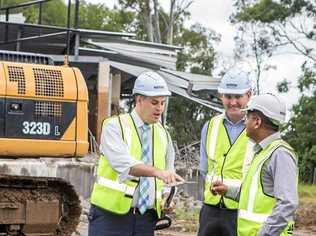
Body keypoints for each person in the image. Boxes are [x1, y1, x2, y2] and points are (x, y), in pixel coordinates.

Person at [88, 71, 184, 236]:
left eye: (162, 103)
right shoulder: (114, 126)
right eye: (154, 102)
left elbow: (167, 172)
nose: (160, 108)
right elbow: (123, 164)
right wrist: (157, 172)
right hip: (110, 216)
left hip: (145, 220)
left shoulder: (163, 134)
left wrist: (166, 197)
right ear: (139, 100)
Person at [212, 93, 299, 236]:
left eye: (247, 118)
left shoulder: (280, 154)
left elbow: (288, 204)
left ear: (257, 122)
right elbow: (254, 198)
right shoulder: (262, 153)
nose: (244, 122)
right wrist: (227, 190)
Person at [198, 68, 254, 236]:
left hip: (240, 210)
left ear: (249, 95)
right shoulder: (210, 126)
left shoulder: (258, 128)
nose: (233, 102)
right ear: (221, 95)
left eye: (238, 97)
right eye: (228, 97)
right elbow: (204, 169)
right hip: (210, 210)